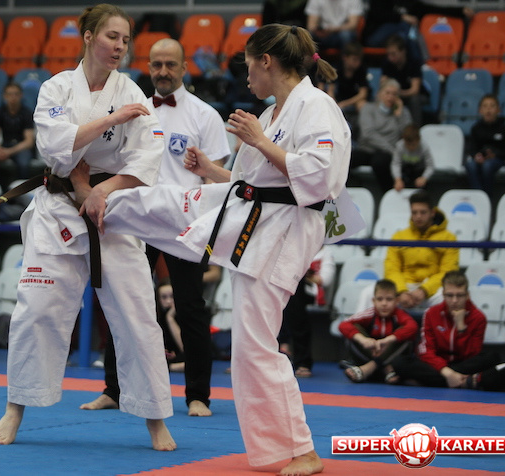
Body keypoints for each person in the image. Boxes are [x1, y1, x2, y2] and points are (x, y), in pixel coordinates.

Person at [91, 23, 350, 476]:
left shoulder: (316, 107)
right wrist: (212, 170)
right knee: (167, 203)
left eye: (248, 65)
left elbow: (319, 179)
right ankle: (97, 204)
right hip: (254, 215)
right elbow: (250, 183)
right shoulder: (273, 113)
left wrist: (259, 141)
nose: (246, 75)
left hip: (284, 230)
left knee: (255, 346)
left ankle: (304, 450)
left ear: (266, 61)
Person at [0, 4, 176, 452]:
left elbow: (149, 156)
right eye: (112, 36)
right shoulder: (56, 88)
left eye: (126, 40)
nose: (120, 46)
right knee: (35, 311)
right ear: (89, 37)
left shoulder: (131, 91)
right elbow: (55, 145)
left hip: (112, 213)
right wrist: (111, 121)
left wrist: (100, 189)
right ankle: (16, 406)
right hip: (57, 211)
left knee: (138, 316)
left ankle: (155, 418)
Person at [79, 37, 230, 418]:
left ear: (184, 68)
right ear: (148, 67)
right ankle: (114, 389)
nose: (163, 71)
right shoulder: (133, 111)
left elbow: (216, 179)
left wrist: (207, 225)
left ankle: (198, 395)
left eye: (170, 64)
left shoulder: (205, 115)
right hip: (137, 220)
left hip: (184, 223)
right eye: (157, 64)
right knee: (122, 301)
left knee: (190, 306)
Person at [392, 270, 505, 391]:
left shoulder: (478, 317)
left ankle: (430, 381)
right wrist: (447, 372)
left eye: (459, 295)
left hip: (463, 364)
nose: (454, 301)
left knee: (492, 357)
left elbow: (472, 353)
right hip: (439, 364)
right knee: (400, 362)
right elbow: (426, 351)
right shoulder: (431, 313)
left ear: (467, 295)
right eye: (450, 295)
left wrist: (461, 328)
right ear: (443, 294)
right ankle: (463, 381)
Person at [384, 190, 458, 312]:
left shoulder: (449, 238)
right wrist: (401, 291)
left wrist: (424, 290)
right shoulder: (399, 236)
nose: (418, 216)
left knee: (449, 296)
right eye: (414, 212)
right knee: (369, 293)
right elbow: (391, 269)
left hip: (433, 289)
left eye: (423, 212)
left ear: (432, 213)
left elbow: (448, 272)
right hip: (404, 287)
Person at [338, 279, 418, 384]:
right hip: (371, 351)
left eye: (389, 299)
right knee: (354, 329)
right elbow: (343, 325)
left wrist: (388, 340)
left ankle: (369, 368)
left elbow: (413, 327)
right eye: (380, 299)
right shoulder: (369, 314)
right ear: (373, 301)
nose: (384, 304)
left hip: (392, 355)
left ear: (397, 301)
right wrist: (363, 340)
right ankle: (386, 369)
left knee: (406, 335)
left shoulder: (399, 314)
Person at [278, 245, 335, 378]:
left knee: (293, 299)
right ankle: (297, 358)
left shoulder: (326, 252)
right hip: (288, 289)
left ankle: (285, 345)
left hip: (312, 293)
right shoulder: (295, 246)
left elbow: (325, 280)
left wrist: (302, 275)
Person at [350, 78, 412, 192]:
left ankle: (387, 193)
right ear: (379, 94)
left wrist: (399, 116)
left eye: (394, 94)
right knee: (346, 158)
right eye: (387, 93)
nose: (390, 97)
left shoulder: (403, 113)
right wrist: (391, 149)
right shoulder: (368, 108)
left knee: (379, 162)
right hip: (367, 149)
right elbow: (368, 134)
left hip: (386, 154)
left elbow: (408, 135)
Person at [0, 82, 36, 189]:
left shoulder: (27, 113)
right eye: (10, 94)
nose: (13, 97)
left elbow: (28, 142)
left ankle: (22, 191)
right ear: (4, 96)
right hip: (5, 146)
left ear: (21, 95)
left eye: (16, 94)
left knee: (23, 164)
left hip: (21, 148)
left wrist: (9, 152)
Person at [464, 94, 505, 196]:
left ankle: (487, 195)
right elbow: (471, 149)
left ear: (498, 110)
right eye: (485, 106)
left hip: (497, 159)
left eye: (492, 106)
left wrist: (495, 154)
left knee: (487, 166)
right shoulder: (476, 128)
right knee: (470, 165)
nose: (488, 109)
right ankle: (478, 195)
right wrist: (476, 156)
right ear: (480, 110)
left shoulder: (503, 128)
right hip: (480, 159)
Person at [324, 42, 368, 137]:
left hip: (354, 100)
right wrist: (334, 104)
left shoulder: (361, 69)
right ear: (345, 58)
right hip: (339, 98)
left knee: (362, 104)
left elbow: (363, 94)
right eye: (354, 59)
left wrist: (344, 104)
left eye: (359, 60)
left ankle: (362, 134)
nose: (357, 63)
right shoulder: (336, 68)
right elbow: (330, 90)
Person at [380, 34, 425, 127]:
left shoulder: (414, 62)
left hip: (414, 95)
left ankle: (414, 129)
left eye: (393, 54)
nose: (390, 58)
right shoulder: (387, 63)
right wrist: (390, 94)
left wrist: (397, 94)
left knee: (414, 100)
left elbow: (415, 90)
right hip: (396, 94)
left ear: (403, 52)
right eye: (388, 54)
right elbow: (383, 84)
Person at [391, 123, 434, 191]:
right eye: (408, 144)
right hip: (405, 171)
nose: (411, 147)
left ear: (418, 140)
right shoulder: (399, 146)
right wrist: (398, 179)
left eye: (413, 144)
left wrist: (424, 178)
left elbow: (430, 166)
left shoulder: (424, 147)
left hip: (419, 171)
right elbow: (396, 164)